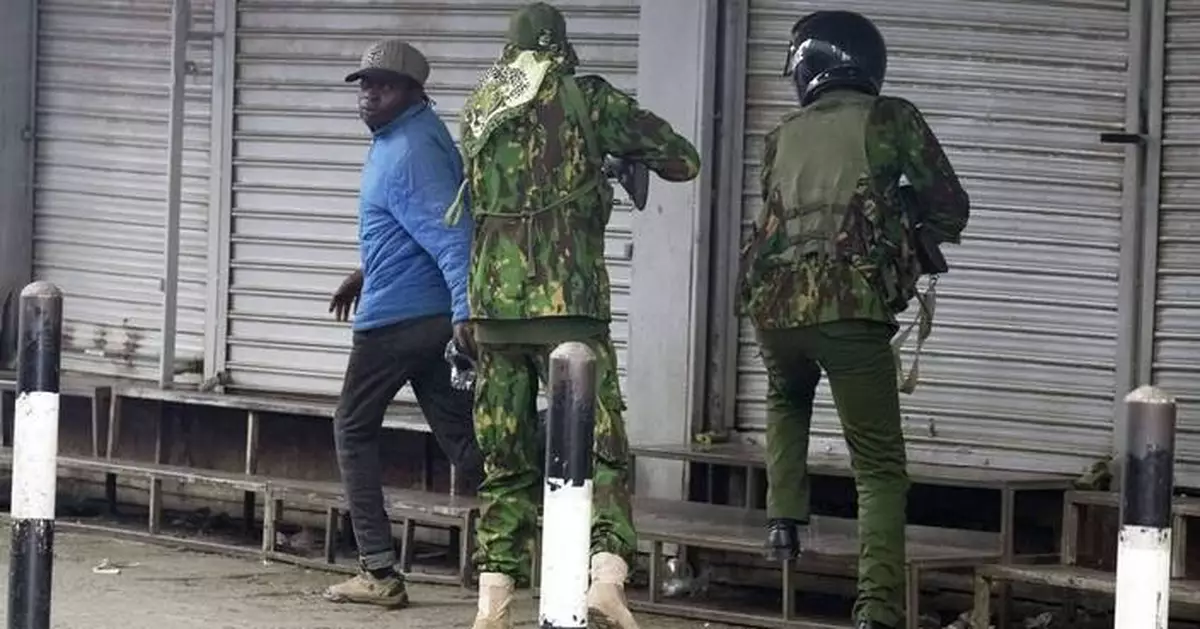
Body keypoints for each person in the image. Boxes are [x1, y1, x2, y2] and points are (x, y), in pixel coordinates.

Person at [446, 3, 700, 628]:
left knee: (506, 458)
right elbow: (683, 159)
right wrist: (610, 159)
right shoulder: (588, 98)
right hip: (569, 310)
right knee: (602, 448)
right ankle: (606, 579)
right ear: (561, 47)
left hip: (493, 314)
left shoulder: (481, 105)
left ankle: (492, 602)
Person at [737, 10, 970, 629]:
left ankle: (783, 521)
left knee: (787, 397)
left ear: (810, 70)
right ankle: (878, 608)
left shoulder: (779, 134)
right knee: (879, 468)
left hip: (774, 309)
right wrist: (906, 223)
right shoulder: (890, 117)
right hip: (849, 308)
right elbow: (951, 206)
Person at [322, 38, 484, 610]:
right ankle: (569, 509)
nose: (368, 96)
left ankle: (378, 570)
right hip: (421, 313)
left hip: (397, 320)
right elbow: (411, 224)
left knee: (352, 427)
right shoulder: (408, 137)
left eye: (383, 86)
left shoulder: (410, 149)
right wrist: (365, 271)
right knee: (465, 444)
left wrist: (465, 311)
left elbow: (452, 233)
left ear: (414, 92)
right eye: (364, 85)